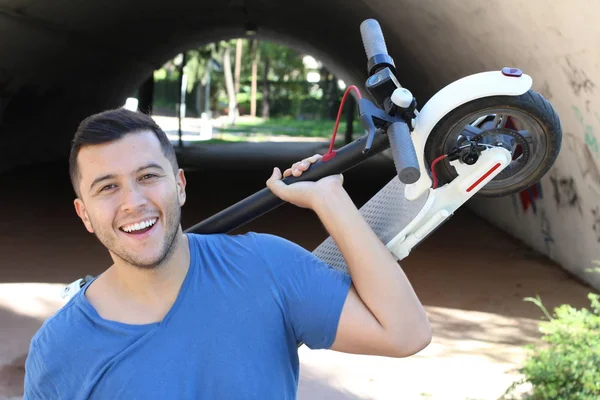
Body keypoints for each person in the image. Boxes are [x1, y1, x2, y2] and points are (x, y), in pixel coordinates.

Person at [23, 108, 431, 399]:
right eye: (107, 187)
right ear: (85, 214)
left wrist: (331, 201)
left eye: (148, 176)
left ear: (180, 185)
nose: (133, 202)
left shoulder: (266, 267)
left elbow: (406, 334)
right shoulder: (59, 350)